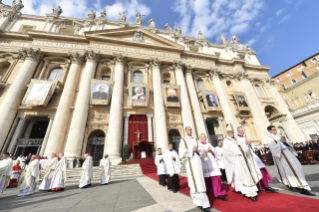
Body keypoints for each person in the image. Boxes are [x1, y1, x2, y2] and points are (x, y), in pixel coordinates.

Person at [267, 125, 316, 196]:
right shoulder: (270, 138)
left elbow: (288, 145)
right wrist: (280, 142)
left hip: (289, 155)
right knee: (292, 171)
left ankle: (293, 184)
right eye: (273, 130)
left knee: (298, 168)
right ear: (269, 130)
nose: (275, 131)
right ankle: (302, 188)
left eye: (275, 129)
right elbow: (273, 149)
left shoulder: (278, 137)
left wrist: (284, 142)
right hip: (282, 157)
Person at [223, 124, 261, 202]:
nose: (233, 134)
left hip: (244, 160)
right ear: (228, 133)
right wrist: (237, 150)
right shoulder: (226, 141)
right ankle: (247, 192)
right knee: (241, 176)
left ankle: (253, 189)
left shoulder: (237, 138)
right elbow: (227, 152)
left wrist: (247, 144)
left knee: (247, 175)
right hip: (236, 161)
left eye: (233, 132)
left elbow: (244, 146)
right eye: (231, 133)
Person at [179, 126, 211, 212]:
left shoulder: (196, 140)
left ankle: (205, 204)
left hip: (198, 164)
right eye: (188, 129)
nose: (190, 131)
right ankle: (199, 203)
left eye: (191, 129)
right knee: (194, 182)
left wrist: (197, 150)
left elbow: (202, 151)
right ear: (185, 131)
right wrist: (191, 150)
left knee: (200, 181)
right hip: (190, 164)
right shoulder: (183, 140)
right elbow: (181, 153)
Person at [237, 126, 277, 193]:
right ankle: (257, 186)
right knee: (253, 172)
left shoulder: (246, 137)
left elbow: (253, 147)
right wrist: (245, 144)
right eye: (242, 130)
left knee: (262, 170)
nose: (243, 131)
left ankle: (266, 186)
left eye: (244, 130)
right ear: (238, 131)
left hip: (253, 155)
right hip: (246, 157)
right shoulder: (237, 139)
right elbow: (239, 149)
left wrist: (249, 144)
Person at [200, 134, 227, 201]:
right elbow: (199, 154)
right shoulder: (199, 145)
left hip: (212, 163)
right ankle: (209, 192)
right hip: (205, 163)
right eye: (204, 137)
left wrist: (211, 150)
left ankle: (218, 193)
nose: (205, 137)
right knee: (207, 179)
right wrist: (205, 151)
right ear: (201, 138)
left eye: (205, 136)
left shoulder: (209, 144)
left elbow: (215, 152)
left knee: (216, 178)